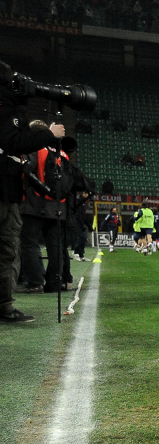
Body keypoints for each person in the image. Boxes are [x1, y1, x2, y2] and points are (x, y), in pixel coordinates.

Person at [0, 64, 64, 321]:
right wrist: (48, 135)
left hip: (16, 193)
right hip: (8, 192)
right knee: (9, 249)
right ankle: (4, 305)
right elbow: (14, 142)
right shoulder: (6, 109)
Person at [19, 134, 74, 293]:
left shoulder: (36, 149)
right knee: (55, 247)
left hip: (36, 204)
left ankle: (35, 282)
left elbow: (26, 173)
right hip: (58, 206)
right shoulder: (62, 154)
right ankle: (54, 283)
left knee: (29, 243)